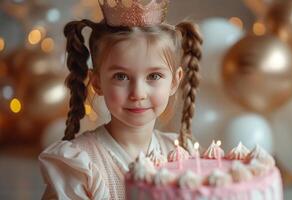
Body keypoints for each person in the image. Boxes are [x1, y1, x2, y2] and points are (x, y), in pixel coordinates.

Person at [38, 0, 203, 199]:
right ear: (97, 82)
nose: (138, 93)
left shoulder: (183, 155)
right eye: (121, 76)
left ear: (175, 82)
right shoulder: (81, 165)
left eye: (154, 76)